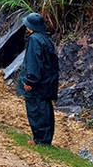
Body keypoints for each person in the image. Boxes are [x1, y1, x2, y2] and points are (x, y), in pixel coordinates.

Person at [17, 12, 60, 146]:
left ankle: (40, 140)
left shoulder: (34, 39)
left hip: (38, 83)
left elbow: (34, 62)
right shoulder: (45, 38)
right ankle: (45, 139)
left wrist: (30, 81)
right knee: (46, 109)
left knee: (36, 110)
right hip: (48, 81)